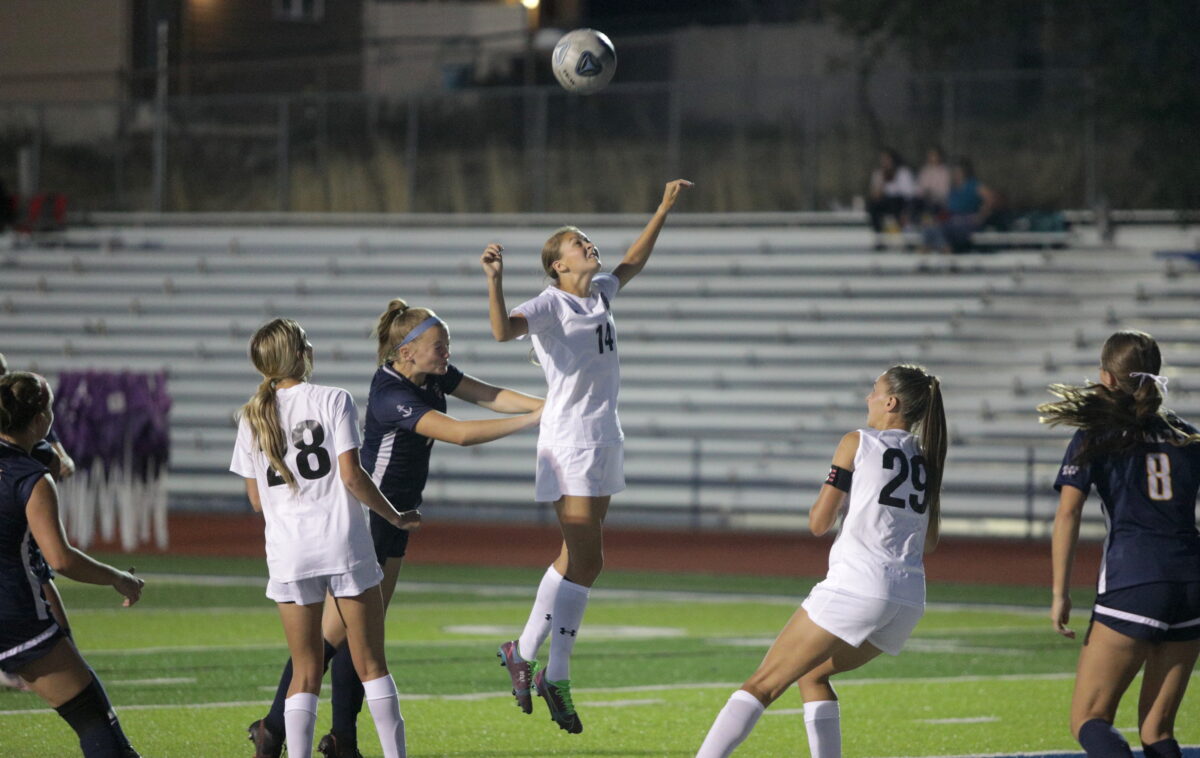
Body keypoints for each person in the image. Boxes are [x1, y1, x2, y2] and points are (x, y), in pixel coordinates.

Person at [244, 304, 543, 758]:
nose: (447, 354)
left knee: (347, 638)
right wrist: (535, 420)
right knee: (338, 640)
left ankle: (331, 735)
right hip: (374, 516)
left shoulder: (431, 374)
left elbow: (488, 394)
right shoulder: (390, 394)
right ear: (407, 353)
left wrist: (552, 406)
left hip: (393, 516)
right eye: (439, 347)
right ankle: (283, 728)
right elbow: (458, 433)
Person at [482, 179, 692, 734]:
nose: (588, 245)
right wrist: (495, 281)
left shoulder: (599, 290)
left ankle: (522, 652)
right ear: (556, 264)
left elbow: (633, 262)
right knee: (588, 561)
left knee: (577, 560)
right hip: (568, 438)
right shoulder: (550, 304)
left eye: (587, 240)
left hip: (603, 435)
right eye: (578, 242)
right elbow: (503, 332)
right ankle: (554, 670)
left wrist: (664, 208)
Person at [695, 364, 947, 758]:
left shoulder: (857, 441)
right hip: (909, 597)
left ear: (891, 401)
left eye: (874, 390)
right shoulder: (926, 457)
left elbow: (818, 522)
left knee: (762, 684)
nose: (868, 398)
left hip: (859, 584)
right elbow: (929, 540)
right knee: (813, 675)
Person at [230, 318, 419, 758]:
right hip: (342, 542)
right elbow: (352, 477)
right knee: (372, 664)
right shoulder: (333, 398)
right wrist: (393, 516)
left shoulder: (252, 416)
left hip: (289, 551)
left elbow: (256, 500)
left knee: (305, 671)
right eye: (305, 341)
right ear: (298, 353)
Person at [1040, 330, 1200, 757]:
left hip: (1134, 581)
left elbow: (1068, 513)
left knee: (1089, 720)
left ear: (1107, 378)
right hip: (1191, 584)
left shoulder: (1097, 434)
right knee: (1157, 732)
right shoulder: (1188, 436)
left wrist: (1059, 594)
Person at [0, 371, 145, 757]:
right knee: (95, 721)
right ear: (39, 421)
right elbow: (60, 558)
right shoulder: (30, 478)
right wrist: (117, 578)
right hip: (13, 612)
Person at [921, 157, 995, 254]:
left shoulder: (974, 184)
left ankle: (948, 255)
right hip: (951, 220)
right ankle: (925, 261)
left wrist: (981, 216)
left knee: (940, 231)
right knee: (929, 230)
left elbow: (991, 198)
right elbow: (948, 210)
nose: (956, 174)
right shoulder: (953, 189)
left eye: (958, 171)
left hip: (966, 221)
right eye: (954, 171)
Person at [866, 148, 916, 249]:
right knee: (873, 206)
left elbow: (908, 192)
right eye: (883, 160)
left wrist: (892, 186)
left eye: (887, 160)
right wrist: (882, 183)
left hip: (901, 201)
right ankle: (879, 238)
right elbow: (875, 194)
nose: (885, 163)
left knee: (899, 206)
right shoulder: (878, 173)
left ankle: (907, 238)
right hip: (885, 202)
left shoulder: (902, 172)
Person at [915, 146, 951, 216]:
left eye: (933, 155)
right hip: (923, 199)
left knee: (931, 204)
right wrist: (923, 193)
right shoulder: (925, 170)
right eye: (929, 155)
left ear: (939, 157)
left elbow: (945, 192)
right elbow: (919, 188)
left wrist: (932, 193)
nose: (931, 158)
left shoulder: (944, 171)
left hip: (938, 201)